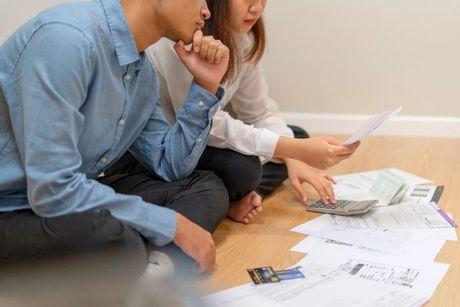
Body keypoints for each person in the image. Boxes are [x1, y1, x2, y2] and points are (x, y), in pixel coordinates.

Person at [0, 0, 232, 284]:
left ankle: (151, 272)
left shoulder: (142, 73)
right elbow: (53, 190)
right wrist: (171, 225)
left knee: (206, 188)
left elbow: (169, 165)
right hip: (12, 207)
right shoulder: (66, 38)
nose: (207, 11)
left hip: (58, 201)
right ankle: (143, 267)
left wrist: (205, 86)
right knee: (117, 242)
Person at [107, 0, 361, 225]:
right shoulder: (181, 40)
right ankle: (228, 196)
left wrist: (294, 156)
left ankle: (235, 195)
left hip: (196, 142)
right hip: (168, 147)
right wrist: (294, 150)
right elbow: (205, 125)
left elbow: (259, 110)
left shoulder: (243, 36)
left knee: (294, 135)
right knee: (246, 170)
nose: (257, 7)